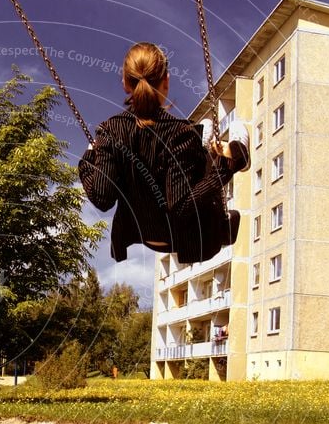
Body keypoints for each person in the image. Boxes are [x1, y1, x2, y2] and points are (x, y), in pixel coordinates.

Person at [78, 42, 249, 265]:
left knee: (191, 146)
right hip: (184, 236)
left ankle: (202, 145)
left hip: (142, 232)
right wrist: (226, 169)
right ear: (166, 81)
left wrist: (87, 158)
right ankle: (236, 155)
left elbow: (102, 198)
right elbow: (181, 208)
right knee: (203, 159)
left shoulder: (110, 131)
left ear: (125, 83)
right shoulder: (180, 133)